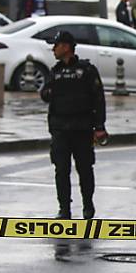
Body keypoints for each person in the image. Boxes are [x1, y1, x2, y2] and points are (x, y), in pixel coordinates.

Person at [39, 31, 108, 220]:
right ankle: (64, 209)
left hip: (82, 128)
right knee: (61, 170)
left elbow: (99, 99)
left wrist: (100, 126)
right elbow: (45, 95)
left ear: (67, 47)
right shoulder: (56, 71)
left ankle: (88, 205)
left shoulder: (86, 70)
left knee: (85, 169)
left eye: (57, 45)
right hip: (60, 129)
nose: (53, 49)